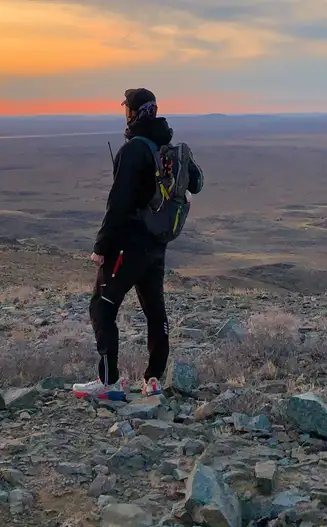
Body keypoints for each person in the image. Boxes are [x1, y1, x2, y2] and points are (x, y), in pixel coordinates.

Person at [72, 88, 204, 401]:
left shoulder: (134, 150)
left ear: (131, 113)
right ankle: (154, 379)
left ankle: (108, 382)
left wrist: (102, 247)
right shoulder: (168, 147)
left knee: (101, 307)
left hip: (128, 246)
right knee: (154, 310)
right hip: (157, 244)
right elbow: (196, 183)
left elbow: (118, 204)